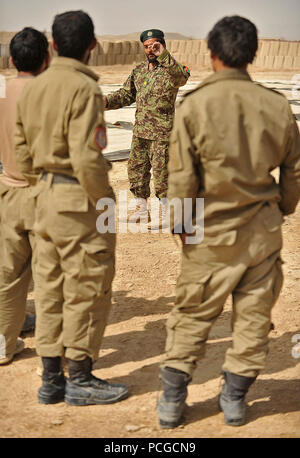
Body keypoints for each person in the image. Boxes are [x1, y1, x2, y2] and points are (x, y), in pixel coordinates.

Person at [157, 15, 300, 428]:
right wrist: (281, 211)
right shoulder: (277, 106)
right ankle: (234, 399)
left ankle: (171, 401)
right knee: (254, 317)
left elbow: (181, 178)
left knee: (192, 314)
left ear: (212, 53)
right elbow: (293, 173)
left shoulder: (193, 106)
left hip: (210, 234)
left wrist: (182, 227)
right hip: (262, 234)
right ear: (251, 55)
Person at [15, 10, 128, 406]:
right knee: (86, 288)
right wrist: (103, 203)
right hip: (78, 201)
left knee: (48, 289)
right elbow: (86, 159)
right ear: (92, 45)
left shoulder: (34, 87)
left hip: (41, 199)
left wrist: (39, 188)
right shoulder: (84, 89)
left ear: (53, 44)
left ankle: (51, 381)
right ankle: (78, 377)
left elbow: (20, 151)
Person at [103, 29, 190, 224]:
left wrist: (164, 56)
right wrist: (104, 102)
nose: (150, 50)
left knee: (162, 174)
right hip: (141, 132)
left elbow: (181, 78)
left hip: (162, 134)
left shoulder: (172, 69)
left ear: (163, 45)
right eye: (147, 46)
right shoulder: (139, 71)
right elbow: (126, 94)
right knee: (136, 171)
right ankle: (142, 211)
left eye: (154, 46)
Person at [0, 27, 49, 365]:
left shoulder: (3, 94)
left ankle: (5, 344)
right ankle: (51, 354)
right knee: (49, 277)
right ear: (46, 58)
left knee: (9, 275)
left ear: (12, 59)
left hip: (9, 190)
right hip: (44, 194)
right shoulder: (48, 94)